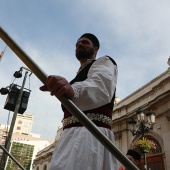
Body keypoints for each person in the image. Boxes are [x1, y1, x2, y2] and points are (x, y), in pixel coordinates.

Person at [40, 33, 118, 170]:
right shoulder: (78, 76)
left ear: (95, 49)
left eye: (85, 42)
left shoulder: (104, 62)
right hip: (68, 137)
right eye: (77, 44)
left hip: (90, 135)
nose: (79, 45)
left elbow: (101, 86)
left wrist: (72, 90)